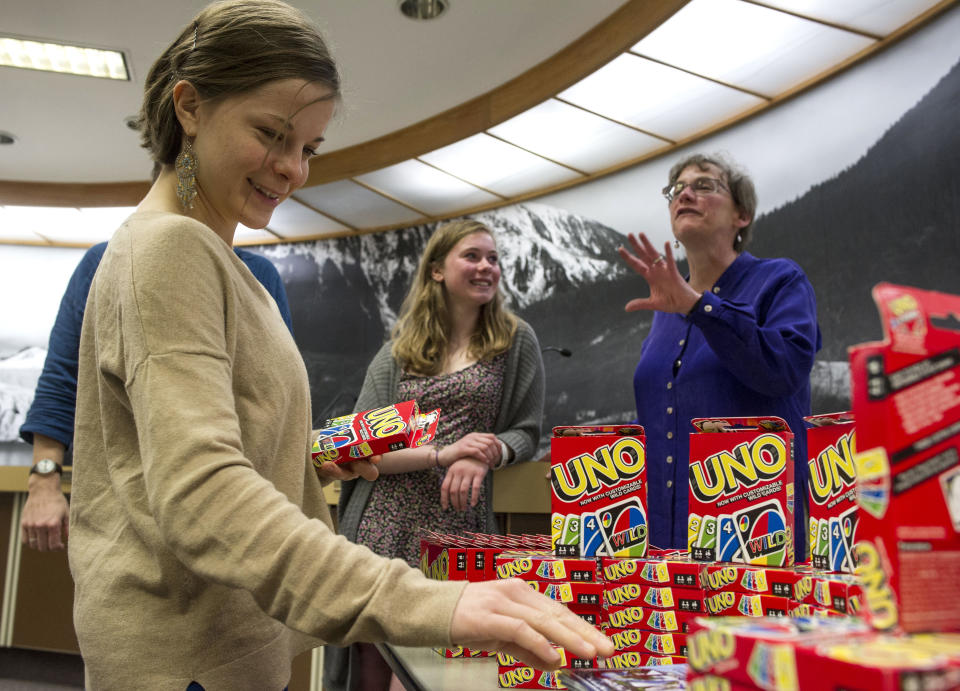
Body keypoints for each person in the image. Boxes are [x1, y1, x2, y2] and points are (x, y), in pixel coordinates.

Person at [68, 2, 610, 689]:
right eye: (272, 133)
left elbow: (212, 451)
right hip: (187, 657)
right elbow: (201, 490)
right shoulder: (170, 249)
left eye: (308, 148)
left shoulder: (218, 262)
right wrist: (426, 599)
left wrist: (329, 455)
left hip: (225, 641)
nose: (292, 168)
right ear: (190, 107)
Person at [326, 218, 545, 690]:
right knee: (372, 666)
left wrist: (485, 455)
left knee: (450, 669)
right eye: (472, 256)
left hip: (457, 532)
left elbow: (526, 431)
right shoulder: (399, 352)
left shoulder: (514, 339)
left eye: (493, 258)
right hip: (384, 524)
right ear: (437, 271)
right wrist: (446, 453)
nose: (486, 266)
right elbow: (360, 449)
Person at [19, 241, 292, 553]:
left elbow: (276, 402)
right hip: (121, 514)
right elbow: (64, 377)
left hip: (229, 514)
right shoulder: (107, 260)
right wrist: (43, 482)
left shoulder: (257, 274)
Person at [618, 152, 821, 562]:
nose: (685, 194)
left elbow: (782, 371)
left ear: (741, 215)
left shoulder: (780, 280)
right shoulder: (664, 312)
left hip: (755, 537)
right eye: (676, 189)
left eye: (705, 185)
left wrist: (701, 308)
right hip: (661, 542)